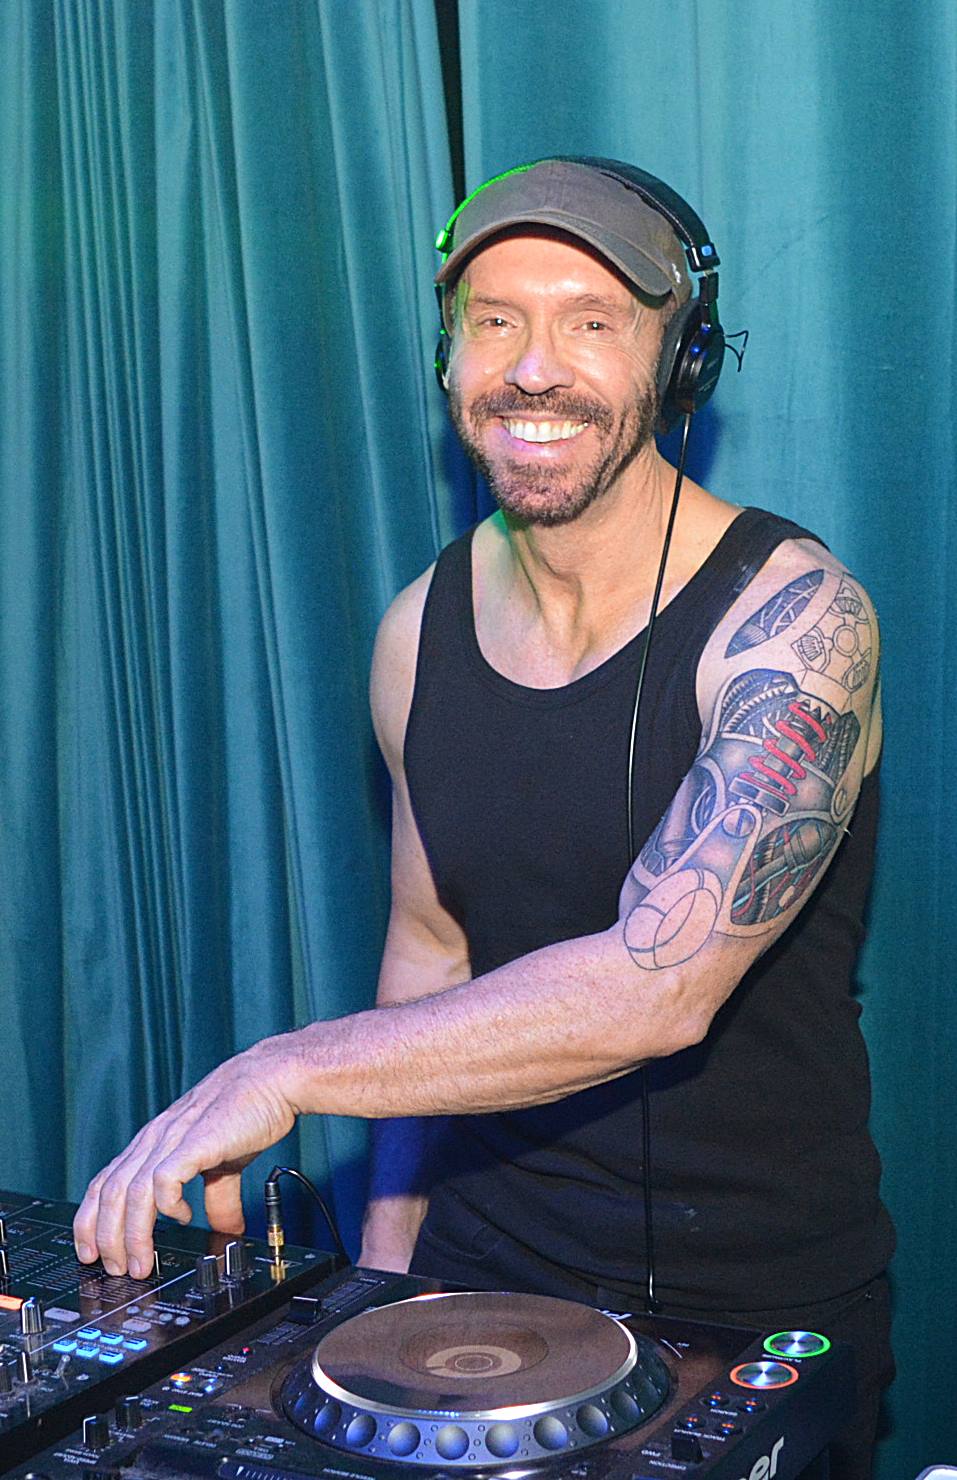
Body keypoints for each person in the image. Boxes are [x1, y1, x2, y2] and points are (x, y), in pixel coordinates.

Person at [74, 159, 894, 1478]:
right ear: (449, 356)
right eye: (495, 320)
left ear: (681, 359)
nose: (533, 369)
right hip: (475, 1282)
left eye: (591, 319)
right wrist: (383, 1274)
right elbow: (432, 948)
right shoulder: (418, 629)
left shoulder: (795, 625)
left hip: (751, 1303)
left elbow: (658, 984)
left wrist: (283, 1070)